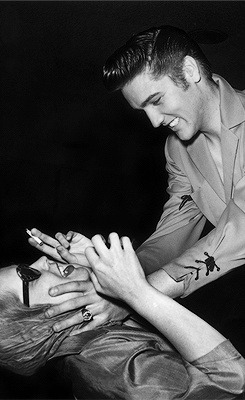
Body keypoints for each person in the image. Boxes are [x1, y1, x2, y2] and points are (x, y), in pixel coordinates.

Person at [28, 25, 245, 354]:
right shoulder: (177, 149)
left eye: (156, 101)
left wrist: (135, 293)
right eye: (143, 110)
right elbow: (177, 227)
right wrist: (114, 271)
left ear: (190, 70)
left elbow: (240, 227)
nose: (154, 122)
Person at [0, 236, 245, 399]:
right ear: (32, 329)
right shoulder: (118, 375)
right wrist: (137, 294)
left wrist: (99, 276)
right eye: (28, 274)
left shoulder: (93, 339)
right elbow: (233, 383)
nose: (41, 259)